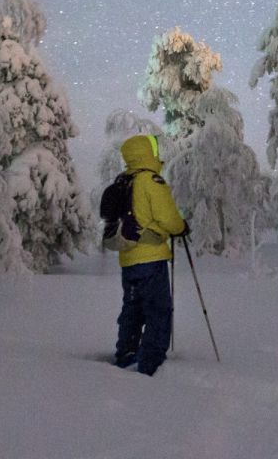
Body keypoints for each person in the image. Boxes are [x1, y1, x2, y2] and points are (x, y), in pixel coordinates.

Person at [113, 133, 187, 375]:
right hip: (151, 259)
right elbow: (169, 219)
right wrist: (181, 227)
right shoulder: (151, 181)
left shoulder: (123, 181)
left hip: (128, 259)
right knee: (158, 310)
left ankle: (126, 354)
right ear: (148, 152)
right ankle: (150, 364)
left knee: (132, 308)